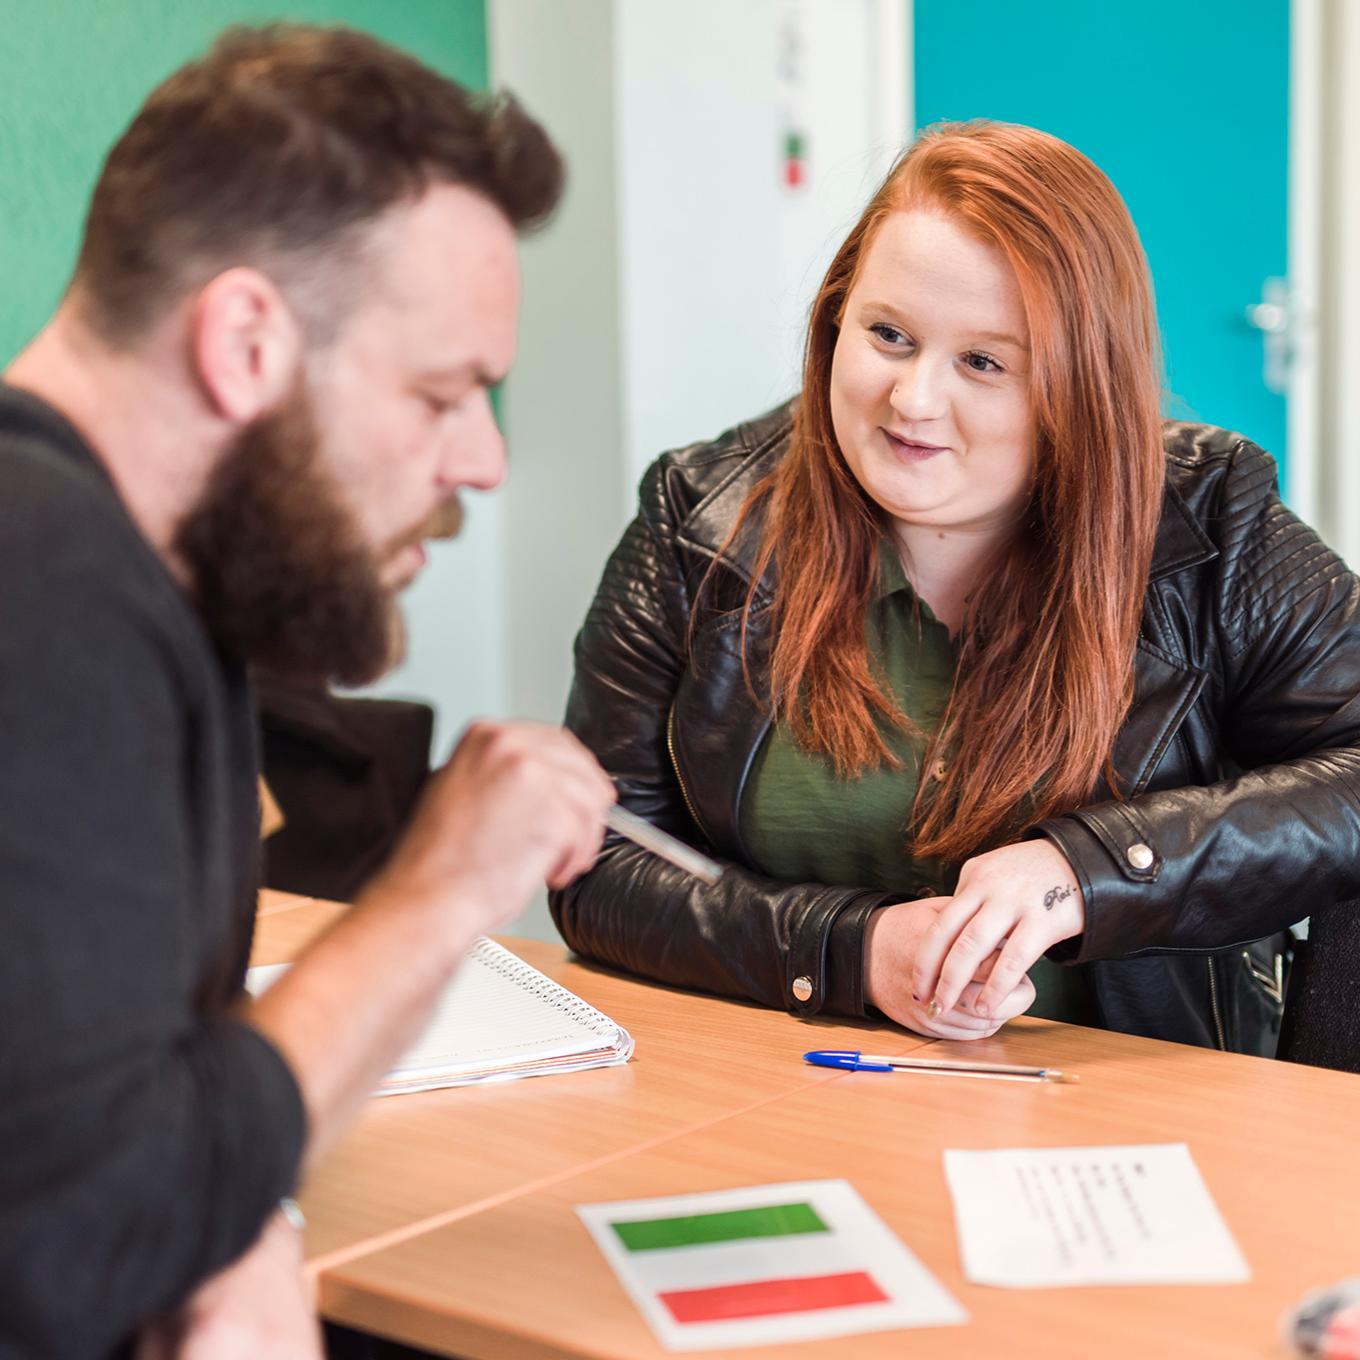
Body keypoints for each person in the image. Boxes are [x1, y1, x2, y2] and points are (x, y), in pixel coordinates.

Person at [0, 25, 615, 1360]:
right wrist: (445, 884)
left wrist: (244, 1228)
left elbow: (118, 1111)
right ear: (244, 342)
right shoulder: (43, 591)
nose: (485, 461)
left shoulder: (141, 583)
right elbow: (75, 1245)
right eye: (445, 394)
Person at [552, 119, 1360, 1059]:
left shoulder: (1213, 522)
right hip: (783, 1089)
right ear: (834, 323)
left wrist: (1089, 870)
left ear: (1080, 386)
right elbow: (599, 861)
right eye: (889, 335)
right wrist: (849, 950)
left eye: (984, 362)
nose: (914, 402)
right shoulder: (698, 515)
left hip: (1131, 1108)